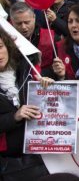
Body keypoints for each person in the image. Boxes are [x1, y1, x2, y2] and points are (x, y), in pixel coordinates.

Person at [0, 27, 53, 180]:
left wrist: (49, 88)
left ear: (8, 46)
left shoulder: (26, 70)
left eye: (0, 47)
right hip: (9, 161)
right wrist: (14, 116)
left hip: (38, 154)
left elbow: (50, 107)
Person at [10, 2, 55, 75]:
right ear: (12, 21)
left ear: (34, 17)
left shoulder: (51, 37)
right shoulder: (6, 40)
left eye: (27, 22)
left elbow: (57, 68)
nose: (23, 27)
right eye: (19, 23)